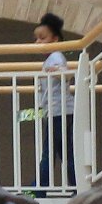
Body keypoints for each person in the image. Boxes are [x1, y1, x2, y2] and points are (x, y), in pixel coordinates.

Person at [35, 13, 75, 189]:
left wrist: (57, 71)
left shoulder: (56, 56)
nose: (38, 42)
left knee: (50, 152)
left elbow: (66, 74)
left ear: (55, 39)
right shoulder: (51, 59)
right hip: (57, 111)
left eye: (42, 38)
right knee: (64, 151)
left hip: (59, 111)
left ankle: (40, 187)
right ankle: (75, 185)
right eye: (36, 39)